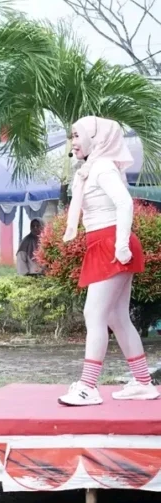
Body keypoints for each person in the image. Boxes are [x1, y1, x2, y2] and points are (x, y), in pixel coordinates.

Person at [59, 117, 157, 406]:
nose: (73, 141)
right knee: (115, 317)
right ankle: (142, 382)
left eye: (77, 135)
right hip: (107, 242)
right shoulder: (95, 167)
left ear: (95, 138)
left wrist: (122, 245)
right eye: (72, 136)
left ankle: (88, 386)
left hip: (111, 243)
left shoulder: (101, 167)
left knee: (95, 314)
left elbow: (125, 203)